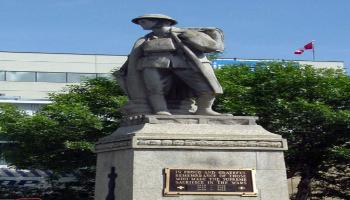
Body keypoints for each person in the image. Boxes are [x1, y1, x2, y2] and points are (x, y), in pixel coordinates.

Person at [115, 14, 224, 115]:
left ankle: (204, 109)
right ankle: (160, 110)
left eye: (144, 21)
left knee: (206, 86)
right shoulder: (145, 39)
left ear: (160, 21)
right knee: (154, 88)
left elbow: (211, 46)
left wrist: (188, 36)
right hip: (152, 64)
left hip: (184, 63)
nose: (140, 24)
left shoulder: (184, 33)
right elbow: (134, 56)